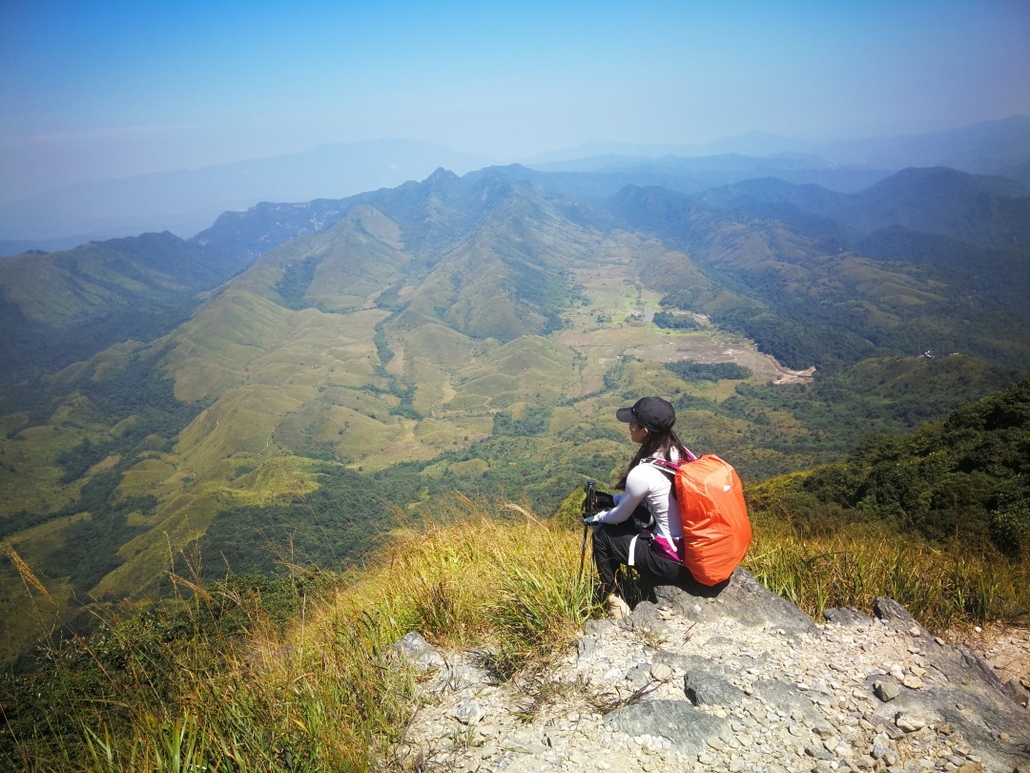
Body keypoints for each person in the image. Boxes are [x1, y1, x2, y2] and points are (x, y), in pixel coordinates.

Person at [583, 396, 690, 618]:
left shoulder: (643, 472)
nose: (630, 427)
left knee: (602, 535)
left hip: (672, 562)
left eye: (634, 423)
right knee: (632, 520)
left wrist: (597, 517)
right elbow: (651, 497)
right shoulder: (680, 454)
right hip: (693, 550)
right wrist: (611, 499)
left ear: (645, 431)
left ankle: (616, 602)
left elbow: (618, 518)